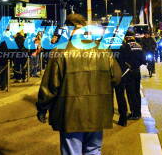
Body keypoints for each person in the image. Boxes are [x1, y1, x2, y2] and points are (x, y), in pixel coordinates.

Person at [36, 14, 122, 155]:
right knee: (94, 150)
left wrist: (42, 107)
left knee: (72, 151)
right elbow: (116, 78)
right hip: (97, 110)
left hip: (70, 113)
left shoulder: (60, 51)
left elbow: (50, 86)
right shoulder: (103, 49)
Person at [115, 32, 146, 126]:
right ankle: (138, 112)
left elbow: (123, 59)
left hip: (129, 72)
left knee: (131, 93)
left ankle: (133, 113)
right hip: (137, 71)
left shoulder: (126, 47)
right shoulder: (138, 45)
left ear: (126, 38)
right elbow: (144, 60)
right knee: (137, 93)